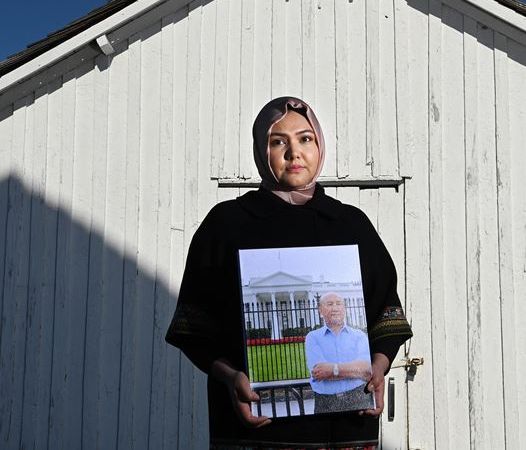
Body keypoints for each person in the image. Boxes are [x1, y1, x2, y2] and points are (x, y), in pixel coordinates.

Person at [166, 96, 412, 449]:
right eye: (278, 141)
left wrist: (379, 364)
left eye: (305, 139)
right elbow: (194, 328)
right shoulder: (226, 224)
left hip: (346, 427)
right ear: (261, 150)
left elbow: (385, 312)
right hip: (256, 428)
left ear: (319, 145)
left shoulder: (351, 224)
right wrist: (230, 377)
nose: (294, 152)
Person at [305, 293, 374, 413]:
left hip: (359, 397)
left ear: (344, 309)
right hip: (325, 403)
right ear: (320, 310)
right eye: (329, 304)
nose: (335, 308)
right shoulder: (312, 337)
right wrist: (355, 371)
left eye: (338, 303)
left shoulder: (359, 335)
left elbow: (367, 370)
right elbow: (319, 373)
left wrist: (332, 370)